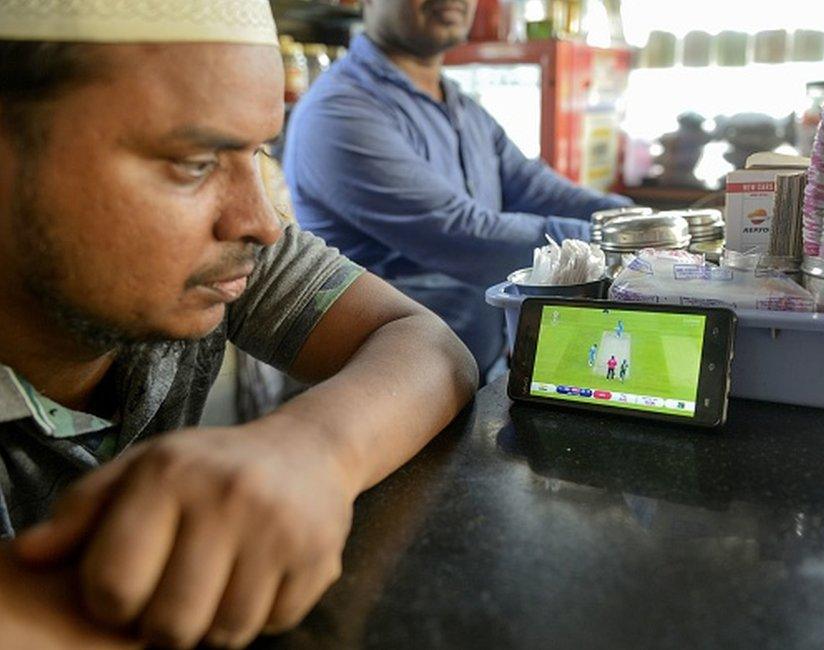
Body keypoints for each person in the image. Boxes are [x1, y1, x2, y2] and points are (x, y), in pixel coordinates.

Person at [0, 2, 478, 648]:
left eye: (256, 153)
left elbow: (426, 345)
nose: (261, 221)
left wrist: (312, 450)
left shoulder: (219, 261)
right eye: (194, 163)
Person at [283, 0, 632, 381]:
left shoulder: (459, 105)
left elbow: (533, 186)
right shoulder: (339, 111)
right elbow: (461, 231)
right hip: (387, 393)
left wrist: (632, 219)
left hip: (478, 373)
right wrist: (614, 243)